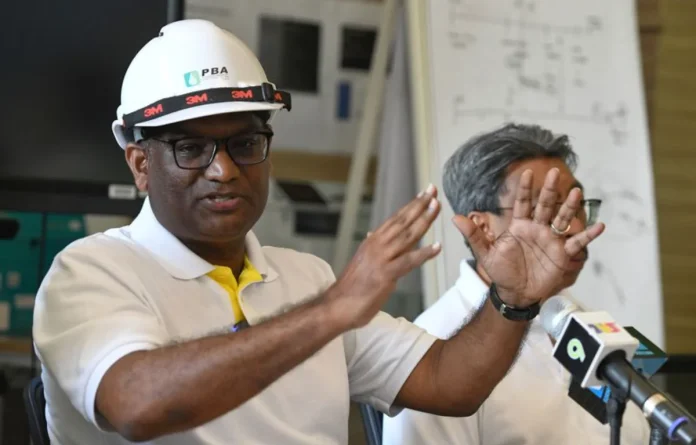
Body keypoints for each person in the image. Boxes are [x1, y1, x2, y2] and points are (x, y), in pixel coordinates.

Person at [33, 20, 605, 445]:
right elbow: (136, 405)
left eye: (245, 143)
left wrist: (510, 302)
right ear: (140, 164)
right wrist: (330, 311)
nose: (223, 169)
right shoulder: (90, 273)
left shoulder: (306, 277)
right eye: (190, 148)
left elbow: (448, 384)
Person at [382, 123, 650, 445]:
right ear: (483, 227)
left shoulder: (586, 320)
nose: (575, 228)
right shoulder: (435, 345)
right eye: (546, 210)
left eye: (576, 207)